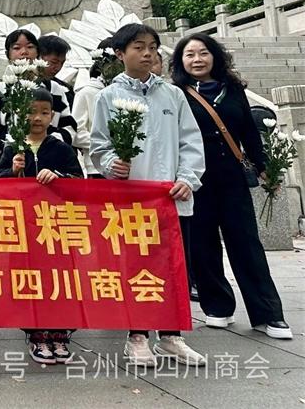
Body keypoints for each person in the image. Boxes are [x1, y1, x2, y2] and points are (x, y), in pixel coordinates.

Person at [90, 23, 206, 367]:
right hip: (131, 200)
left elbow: (190, 141)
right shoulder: (109, 96)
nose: (147, 53)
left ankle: (172, 336)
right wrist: (112, 163)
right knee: (135, 266)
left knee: (174, 267)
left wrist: (187, 178)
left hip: (170, 198)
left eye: (152, 47)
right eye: (138, 47)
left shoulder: (173, 95)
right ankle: (137, 336)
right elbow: (99, 144)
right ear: (119, 53)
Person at [172, 33, 292, 340]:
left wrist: (266, 169)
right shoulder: (176, 93)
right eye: (190, 55)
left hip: (231, 177)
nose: (197, 60)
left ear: (215, 56)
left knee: (246, 243)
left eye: (203, 53)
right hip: (194, 178)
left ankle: (268, 314)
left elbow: (250, 133)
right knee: (202, 244)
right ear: (180, 61)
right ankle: (217, 307)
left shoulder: (233, 90)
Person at [0, 88, 83, 364]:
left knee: (57, 279)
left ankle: (59, 331)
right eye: (32, 111)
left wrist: (57, 176)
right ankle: (36, 333)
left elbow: (79, 180)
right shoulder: (13, 147)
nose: (38, 118)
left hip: (55, 227)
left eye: (45, 112)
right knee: (30, 280)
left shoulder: (60, 148)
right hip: (24, 228)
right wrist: (14, 172)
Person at [0, 29, 77, 170]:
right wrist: (14, 144)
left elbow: (69, 127)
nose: (24, 52)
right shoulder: (0, 89)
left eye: (30, 47)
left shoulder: (55, 89)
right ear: (8, 55)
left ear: (38, 53)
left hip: (49, 164)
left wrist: (48, 144)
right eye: (16, 47)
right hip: (6, 163)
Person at [72, 38, 116, 178]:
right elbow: (77, 133)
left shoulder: (130, 92)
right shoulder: (86, 93)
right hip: (97, 169)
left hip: (129, 168)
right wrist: (107, 144)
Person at [38, 34, 76, 108]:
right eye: (54, 62)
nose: (58, 68)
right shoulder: (20, 86)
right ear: (39, 56)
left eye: (62, 63)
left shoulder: (66, 91)